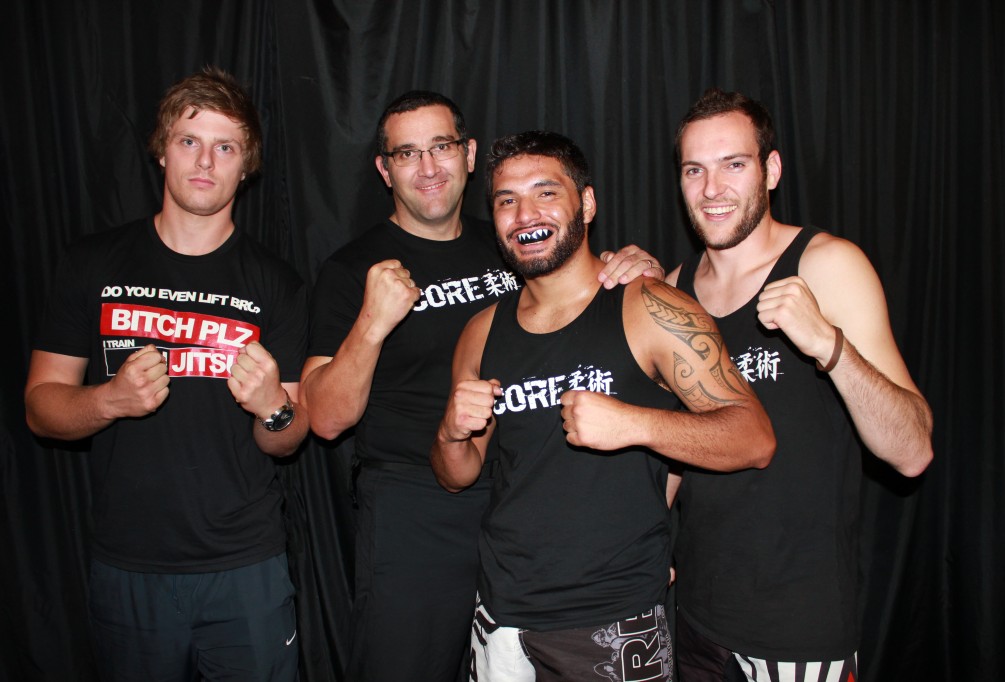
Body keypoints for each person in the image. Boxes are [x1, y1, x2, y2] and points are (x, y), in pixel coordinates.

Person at [301, 92, 661, 682]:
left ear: (467, 154)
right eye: (407, 153)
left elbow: (593, 306)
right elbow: (325, 420)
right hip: (418, 513)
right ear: (383, 168)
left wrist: (633, 265)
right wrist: (372, 320)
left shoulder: (513, 239)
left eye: (441, 147)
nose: (428, 167)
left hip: (525, 503)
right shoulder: (352, 269)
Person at [431, 130, 776, 681]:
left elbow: (754, 438)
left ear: (586, 204)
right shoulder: (480, 332)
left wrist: (633, 423)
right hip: (499, 615)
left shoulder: (649, 305)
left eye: (546, 192)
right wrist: (451, 434)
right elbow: (458, 476)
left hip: (612, 619)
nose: (525, 214)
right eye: (506, 200)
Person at [24, 67, 308, 681]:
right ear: (161, 151)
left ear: (245, 166)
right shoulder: (92, 263)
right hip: (129, 568)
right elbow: (40, 407)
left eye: (225, 146)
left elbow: (288, 438)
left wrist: (271, 408)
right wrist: (109, 401)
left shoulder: (276, 284)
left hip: (245, 569)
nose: (205, 160)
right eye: (189, 141)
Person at [666, 87, 934, 682]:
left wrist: (829, 346)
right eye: (694, 169)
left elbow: (913, 452)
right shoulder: (674, 289)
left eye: (733, 164)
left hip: (799, 625)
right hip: (696, 619)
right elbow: (678, 446)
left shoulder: (826, 266)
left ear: (772, 169)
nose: (712, 189)